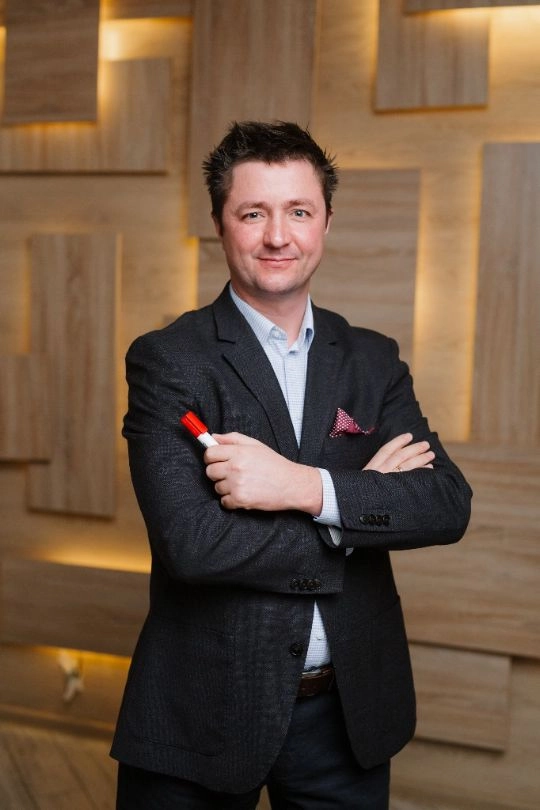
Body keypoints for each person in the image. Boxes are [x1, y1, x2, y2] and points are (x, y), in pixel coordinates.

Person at [111, 121, 472, 809]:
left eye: (299, 212)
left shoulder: (373, 359)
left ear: (327, 222)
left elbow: (446, 503)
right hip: (204, 710)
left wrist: (305, 488)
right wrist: (356, 512)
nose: (279, 236)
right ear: (220, 223)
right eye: (254, 213)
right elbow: (193, 544)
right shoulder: (169, 360)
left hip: (348, 715)